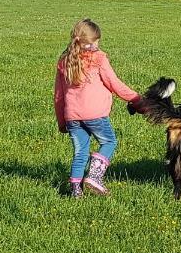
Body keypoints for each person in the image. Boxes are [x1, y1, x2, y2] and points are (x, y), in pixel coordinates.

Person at [53, 18, 141, 197]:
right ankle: (94, 176)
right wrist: (139, 100)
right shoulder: (98, 58)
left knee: (80, 152)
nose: (99, 44)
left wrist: (62, 122)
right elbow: (115, 84)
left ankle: (76, 191)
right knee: (109, 142)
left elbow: (58, 96)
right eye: (97, 41)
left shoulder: (64, 61)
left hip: (72, 117)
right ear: (92, 41)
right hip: (95, 115)